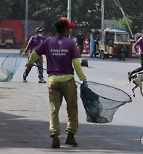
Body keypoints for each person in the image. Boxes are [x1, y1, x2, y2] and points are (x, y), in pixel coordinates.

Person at [25, 17, 87, 148]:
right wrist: (83, 78)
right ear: (65, 30)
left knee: (54, 109)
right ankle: (70, 136)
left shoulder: (48, 42)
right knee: (72, 108)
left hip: (52, 81)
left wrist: (29, 63)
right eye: (68, 28)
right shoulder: (70, 44)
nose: (69, 30)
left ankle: (54, 136)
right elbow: (76, 63)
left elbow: (34, 54)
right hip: (68, 81)